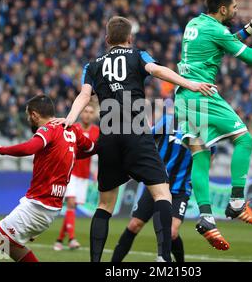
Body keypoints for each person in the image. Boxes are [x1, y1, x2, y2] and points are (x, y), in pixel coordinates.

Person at [52, 16, 216, 262]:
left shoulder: (92, 65)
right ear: (130, 38)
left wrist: (69, 118)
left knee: (104, 206)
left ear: (107, 40)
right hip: (136, 134)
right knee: (162, 194)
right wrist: (189, 84)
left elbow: (84, 96)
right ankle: (164, 259)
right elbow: (157, 70)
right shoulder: (139, 55)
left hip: (108, 136)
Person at [174, 0, 252, 250]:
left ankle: (206, 217)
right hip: (202, 94)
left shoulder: (195, 23)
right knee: (245, 139)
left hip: (183, 97)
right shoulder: (215, 30)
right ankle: (237, 201)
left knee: (201, 155)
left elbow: (226, 42)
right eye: (235, 7)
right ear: (223, 9)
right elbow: (250, 57)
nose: (237, 10)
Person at [0, 95, 96, 262]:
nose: (28, 119)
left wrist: (1, 149)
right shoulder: (72, 129)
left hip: (38, 206)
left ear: (34, 115)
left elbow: (30, 147)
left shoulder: (48, 129)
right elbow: (92, 148)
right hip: (49, 207)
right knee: (8, 245)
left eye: (28, 115)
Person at [111, 113, 215, 262]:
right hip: (157, 183)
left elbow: (209, 158)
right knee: (134, 225)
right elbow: (147, 139)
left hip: (180, 189)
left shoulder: (205, 130)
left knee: (172, 232)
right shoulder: (169, 121)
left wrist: (199, 175)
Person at [54, 104, 100, 250]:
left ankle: (60, 240)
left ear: (94, 116)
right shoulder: (74, 128)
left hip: (84, 175)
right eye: (85, 111)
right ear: (81, 113)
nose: (87, 114)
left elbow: (99, 152)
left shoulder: (97, 132)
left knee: (72, 208)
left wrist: (97, 170)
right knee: (71, 202)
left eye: (90, 112)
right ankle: (72, 239)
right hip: (70, 172)